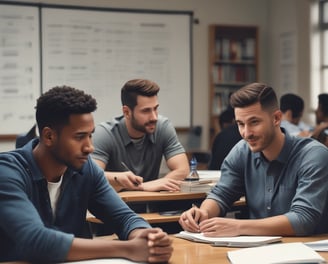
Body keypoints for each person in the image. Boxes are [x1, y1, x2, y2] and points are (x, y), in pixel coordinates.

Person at [0, 86, 172, 263]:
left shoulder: (85, 168)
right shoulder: (7, 171)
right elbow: (36, 240)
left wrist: (147, 237)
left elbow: (124, 218)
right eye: (79, 137)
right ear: (49, 136)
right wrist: (128, 248)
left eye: (90, 135)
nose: (89, 147)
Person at [179, 82, 328, 237]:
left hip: (307, 252)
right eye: (240, 124)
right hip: (255, 252)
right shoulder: (241, 151)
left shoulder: (314, 155)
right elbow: (221, 194)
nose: (246, 133)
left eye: (254, 122)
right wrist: (203, 213)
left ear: (276, 118)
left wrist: (238, 227)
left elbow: (303, 219)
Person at [91, 79, 189, 193]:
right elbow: (92, 176)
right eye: (146, 111)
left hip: (152, 204)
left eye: (155, 108)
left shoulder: (163, 126)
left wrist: (157, 184)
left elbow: (183, 169)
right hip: (116, 206)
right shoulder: (104, 133)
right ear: (127, 112)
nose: (154, 117)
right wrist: (142, 187)